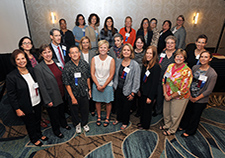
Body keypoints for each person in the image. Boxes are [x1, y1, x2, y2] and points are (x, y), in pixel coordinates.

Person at [6, 49, 48, 146]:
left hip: (37, 101)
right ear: (14, 61)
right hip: (25, 105)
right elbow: (11, 95)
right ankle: (34, 138)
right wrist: (17, 109)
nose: (21, 61)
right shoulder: (11, 76)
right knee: (30, 123)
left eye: (23, 58)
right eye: (18, 59)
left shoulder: (31, 70)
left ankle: (39, 134)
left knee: (37, 119)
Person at [34, 44, 71, 138]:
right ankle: (56, 130)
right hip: (51, 95)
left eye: (49, 52)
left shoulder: (55, 61)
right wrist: (47, 100)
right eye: (44, 52)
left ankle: (63, 124)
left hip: (61, 92)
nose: (47, 54)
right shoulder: (39, 68)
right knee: (53, 115)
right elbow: (41, 86)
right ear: (41, 55)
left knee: (62, 111)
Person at [180, 51, 217, 137]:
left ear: (210, 59)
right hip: (190, 95)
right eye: (202, 57)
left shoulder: (212, 74)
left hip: (201, 99)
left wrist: (196, 98)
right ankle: (183, 126)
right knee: (187, 112)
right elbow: (189, 81)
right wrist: (189, 94)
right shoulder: (195, 68)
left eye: (206, 57)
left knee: (195, 116)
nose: (203, 59)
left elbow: (209, 90)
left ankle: (190, 131)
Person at [160, 49, 192, 136]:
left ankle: (172, 129)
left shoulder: (187, 71)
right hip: (167, 93)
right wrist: (165, 93)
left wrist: (170, 96)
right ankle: (167, 125)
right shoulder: (170, 66)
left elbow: (184, 89)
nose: (179, 58)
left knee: (175, 114)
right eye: (177, 56)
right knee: (166, 112)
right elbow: (164, 79)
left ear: (184, 59)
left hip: (179, 97)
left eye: (181, 57)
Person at [62, 46, 91, 133]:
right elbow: (66, 84)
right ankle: (77, 124)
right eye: (72, 53)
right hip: (73, 94)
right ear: (69, 55)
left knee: (85, 110)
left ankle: (84, 123)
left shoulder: (84, 64)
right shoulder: (67, 67)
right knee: (74, 111)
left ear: (79, 54)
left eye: (76, 52)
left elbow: (88, 77)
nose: (75, 54)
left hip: (84, 92)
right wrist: (72, 97)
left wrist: (89, 89)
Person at [113, 43, 140, 130]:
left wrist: (133, 93)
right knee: (118, 105)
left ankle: (125, 122)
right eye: (124, 50)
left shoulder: (135, 65)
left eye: (128, 50)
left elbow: (136, 80)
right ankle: (118, 118)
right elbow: (116, 75)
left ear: (131, 52)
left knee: (126, 107)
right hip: (118, 88)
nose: (126, 52)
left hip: (128, 89)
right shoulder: (119, 61)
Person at [91, 40, 115, 127]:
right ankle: (99, 116)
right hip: (96, 83)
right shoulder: (94, 59)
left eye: (105, 47)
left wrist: (104, 85)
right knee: (98, 101)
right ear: (98, 48)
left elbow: (111, 74)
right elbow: (92, 73)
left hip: (107, 84)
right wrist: (98, 85)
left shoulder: (111, 60)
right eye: (101, 47)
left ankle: (107, 117)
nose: (103, 49)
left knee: (108, 102)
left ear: (108, 49)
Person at [138, 46, 161, 129]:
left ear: (154, 55)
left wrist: (150, 97)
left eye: (150, 53)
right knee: (143, 109)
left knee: (147, 111)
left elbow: (155, 84)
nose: (148, 55)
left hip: (149, 93)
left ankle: (145, 125)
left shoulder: (156, 67)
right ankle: (142, 122)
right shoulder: (145, 64)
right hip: (143, 91)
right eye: (147, 53)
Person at [154, 35, 177, 116]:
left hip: (172, 81)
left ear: (175, 44)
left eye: (172, 43)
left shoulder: (177, 54)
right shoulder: (162, 54)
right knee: (159, 97)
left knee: (170, 98)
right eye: (168, 43)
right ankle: (158, 111)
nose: (169, 45)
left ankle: (168, 114)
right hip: (161, 79)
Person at [79, 36, 96, 116]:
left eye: (87, 42)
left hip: (92, 75)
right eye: (83, 42)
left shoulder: (93, 52)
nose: (85, 44)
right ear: (81, 44)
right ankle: (84, 108)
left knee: (91, 92)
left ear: (89, 43)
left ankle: (92, 108)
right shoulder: (78, 53)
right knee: (83, 93)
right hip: (81, 76)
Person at [133, 35, 146, 117]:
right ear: (135, 43)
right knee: (133, 93)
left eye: (141, 43)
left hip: (142, 76)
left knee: (141, 94)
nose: (139, 44)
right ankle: (133, 108)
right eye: (138, 42)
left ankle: (140, 110)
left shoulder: (145, 53)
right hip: (133, 75)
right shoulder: (132, 52)